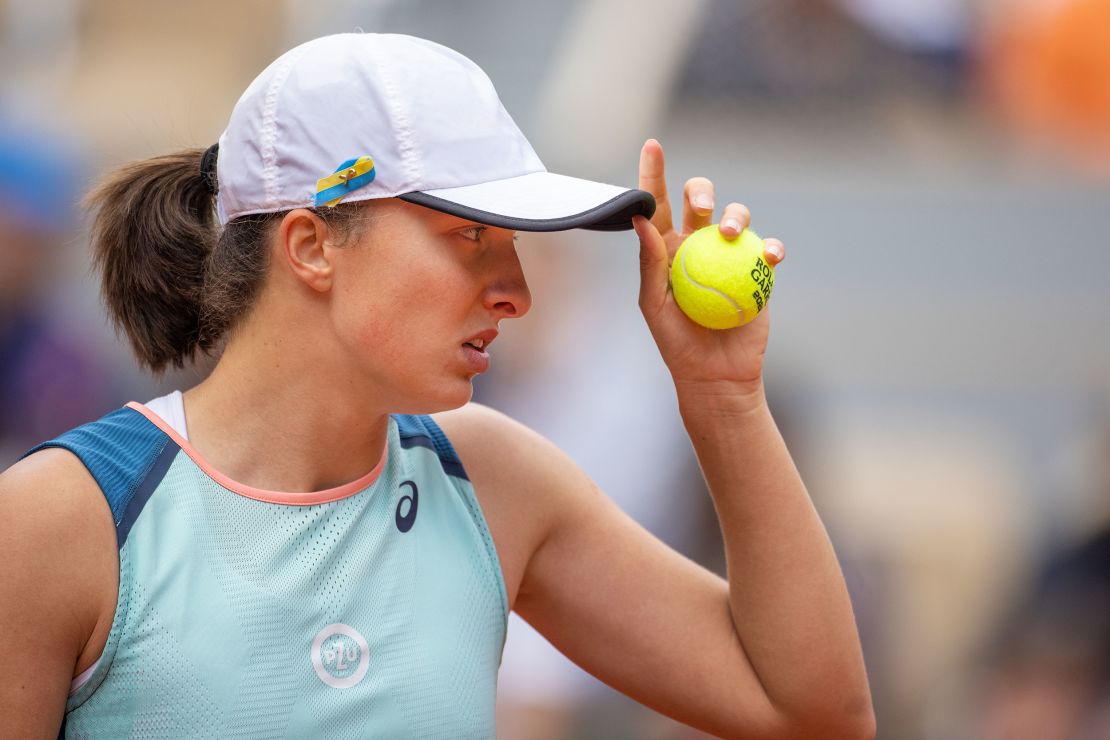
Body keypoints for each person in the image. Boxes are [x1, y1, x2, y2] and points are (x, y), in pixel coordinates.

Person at [0, 33, 873, 739]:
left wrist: (723, 397)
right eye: (470, 238)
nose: (517, 294)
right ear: (311, 245)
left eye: (514, 246)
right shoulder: (59, 520)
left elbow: (812, 713)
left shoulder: (496, 479)